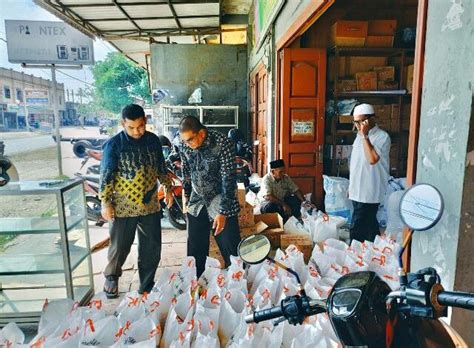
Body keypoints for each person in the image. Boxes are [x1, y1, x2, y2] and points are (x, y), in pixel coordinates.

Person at [99, 104, 173, 298]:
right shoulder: (114, 145)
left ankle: (146, 284)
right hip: (123, 206)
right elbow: (106, 175)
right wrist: (105, 203)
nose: (137, 131)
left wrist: (168, 189)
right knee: (120, 246)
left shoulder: (153, 141)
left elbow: (161, 167)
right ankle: (112, 277)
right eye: (131, 127)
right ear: (123, 123)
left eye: (140, 126)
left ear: (145, 121)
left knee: (151, 248)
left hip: (150, 204)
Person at [178, 116, 240, 277]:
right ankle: (196, 283)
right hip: (197, 198)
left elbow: (229, 179)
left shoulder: (222, 144)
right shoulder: (184, 145)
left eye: (190, 140)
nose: (187, 145)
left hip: (220, 197)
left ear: (202, 133)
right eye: (184, 141)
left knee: (230, 247)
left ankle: (235, 282)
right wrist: (186, 197)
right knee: (194, 247)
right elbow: (186, 174)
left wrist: (223, 212)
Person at [349, 103, 391, 243]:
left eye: (362, 121)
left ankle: (355, 255)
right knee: (368, 227)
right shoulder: (359, 137)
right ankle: (371, 254)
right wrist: (351, 187)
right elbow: (356, 165)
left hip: (369, 190)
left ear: (371, 119)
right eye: (356, 122)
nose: (359, 126)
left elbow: (372, 159)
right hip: (357, 190)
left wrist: (365, 136)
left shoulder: (382, 137)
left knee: (357, 229)